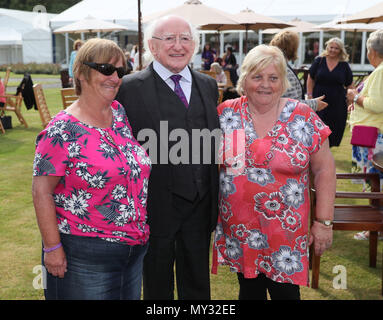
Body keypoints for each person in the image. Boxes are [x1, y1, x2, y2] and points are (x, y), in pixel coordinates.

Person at [211, 44, 336, 300]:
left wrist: (323, 222)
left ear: (283, 82)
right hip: (240, 231)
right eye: (257, 77)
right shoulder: (226, 114)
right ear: (244, 80)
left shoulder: (302, 116)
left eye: (273, 77)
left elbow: (324, 169)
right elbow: (212, 164)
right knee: (249, 291)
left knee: (286, 294)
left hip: (285, 234)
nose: (265, 84)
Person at [32, 38, 151, 300]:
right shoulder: (61, 130)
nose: (115, 78)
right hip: (85, 255)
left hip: (132, 251)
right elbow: (41, 193)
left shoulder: (118, 114)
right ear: (81, 73)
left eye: (121, 71)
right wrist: (52, 248)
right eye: (106, 69)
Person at [115, 15, 220, 300]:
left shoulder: (207, 86)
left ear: (194, 45)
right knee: (157, 286)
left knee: (197, 286)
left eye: (185, 38)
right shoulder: (128, 88)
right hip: (154, 208)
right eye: (169, 39)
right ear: (152, 45)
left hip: (200, 205)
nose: (178, 45)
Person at [347, 29, 383, 241]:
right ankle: (375, 227)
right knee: (375, 183)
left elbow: (377, 105)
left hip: (372, 137)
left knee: (374, 184)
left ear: (372, 51)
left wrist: (355, 96)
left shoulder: (380, 72)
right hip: (370, 134)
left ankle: (374, 228)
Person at [307, 37, 353, 147]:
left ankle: (327, 152)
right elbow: (310, 78)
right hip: (319, 102)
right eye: (331, 47)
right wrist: (309, 96)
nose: (333, 50)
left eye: (336, 48)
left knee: (334, 129)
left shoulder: (344, 65)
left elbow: (350, 84)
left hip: (337, 104)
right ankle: (317, 152)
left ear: (340, 50)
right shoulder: (319, 60)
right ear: (327, 47)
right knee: (317, 129)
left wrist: (350, 100)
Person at [270, 30, 328, 112]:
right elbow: (289, 104)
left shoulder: (278, 65)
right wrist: (314, 104)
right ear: (291, 47)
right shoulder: (282, 69)